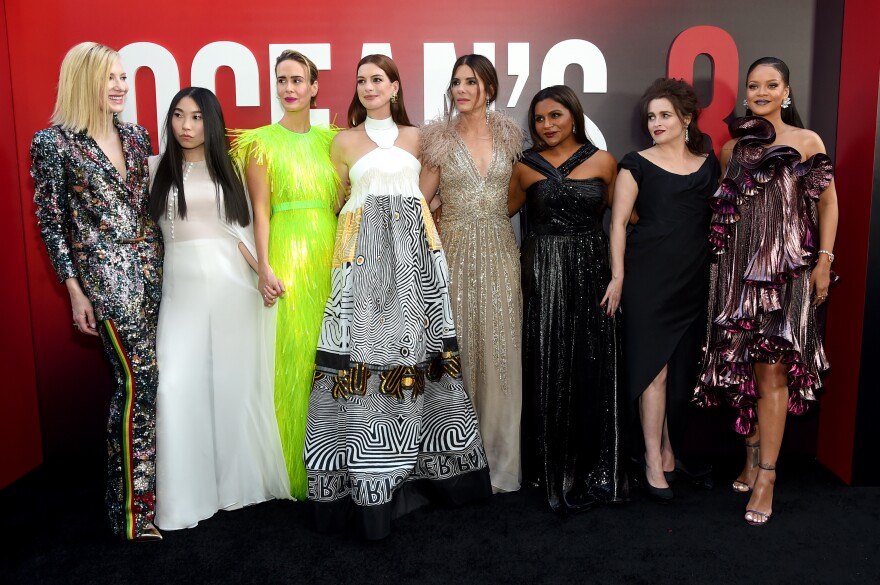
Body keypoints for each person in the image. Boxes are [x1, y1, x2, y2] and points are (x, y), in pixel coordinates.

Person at [303, 54, 492, 539]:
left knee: (418, 354)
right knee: (359, 356)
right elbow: (337, 202)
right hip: (360, 262)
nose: (368, 87)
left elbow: (426, 196)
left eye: (377, 79)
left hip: (414, 262)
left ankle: (424, 474)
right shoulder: (342, 142)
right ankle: (366, 479)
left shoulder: (420, 138)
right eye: (361, 80)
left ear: (394, 86)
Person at [694, 57, 838, 525]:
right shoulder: (730, 148)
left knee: (773, 371)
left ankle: (769, 476)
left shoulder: (808, 140)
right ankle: (752, 456)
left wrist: (824, 261)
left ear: (786, 92)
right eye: (754, 85)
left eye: (771, 85)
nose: (761, 92)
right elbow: (727, 213)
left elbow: (828, 204)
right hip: (736, 273)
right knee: (742, 369)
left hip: (787, 274)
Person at [30, 42, 163, 541]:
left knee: (148, 385)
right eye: (110, 77)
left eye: (123, 77)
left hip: (155, 271)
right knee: (139, 382)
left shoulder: (136, 135)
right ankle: (132, 513)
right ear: (83, 81)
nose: (120, 86)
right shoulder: (54, 143)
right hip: (105, 281)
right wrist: (74, 290)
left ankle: (150, 492)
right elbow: (51, 222)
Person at [147, 87, 291, 529]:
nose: (186, 126)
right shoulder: (153, 168)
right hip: (180, 293)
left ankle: (234, 488)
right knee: (175, 386)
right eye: (178, 115)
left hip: (231, 288)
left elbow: (240, 233)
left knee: (231, 387)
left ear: (211, 123)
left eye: (196, 117)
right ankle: (184, 500)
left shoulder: (230, 168)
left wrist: (264, 273)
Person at [509, 85, 627, 512]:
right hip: (541, 273)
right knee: (546, 361)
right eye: (539, 119)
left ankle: (593, 466)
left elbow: (624, 216)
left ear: (574, 116)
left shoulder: (604, 161)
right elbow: (500, 214)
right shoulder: (524, 166)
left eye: (555, 115)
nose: (547, 125)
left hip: (592, 273)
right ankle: (547, 466)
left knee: (589, 363)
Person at [602, 78, 720, 502]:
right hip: (647, 278)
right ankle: (652, 459)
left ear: (686, 118)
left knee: (682, 370)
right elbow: (618, 224)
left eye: (665, 115)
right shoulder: (635, 164)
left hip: (692, 279)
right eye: (651, 116)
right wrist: (618, 277)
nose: (656, 123)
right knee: (655, 370)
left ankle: (671, 450)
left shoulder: (708, 166)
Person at [230, 50, 340, 500]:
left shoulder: (332, 141)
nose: (289, 88)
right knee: (293, 358)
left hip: (331, 252)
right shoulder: (261, 142)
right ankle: (296, 470)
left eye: (297, 80)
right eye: (281, 80)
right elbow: (260, 211)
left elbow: (343, 202)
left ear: (314, 87)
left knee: (331, 354)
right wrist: (264, 268)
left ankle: (338, 463)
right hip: (287, 254)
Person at [419, 54, 524, 494]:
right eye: (456, 82)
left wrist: (487, 216)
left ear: (489, 89)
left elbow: (515, 195)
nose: (461, 90)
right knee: (457, 349)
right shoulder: (439, 140)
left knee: (501, 352)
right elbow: (420, 202)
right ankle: (457, 466)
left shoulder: (510, 137)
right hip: (453, 254)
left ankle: (500, 467)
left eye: (471, 82)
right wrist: (443, 218)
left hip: (500, 254)